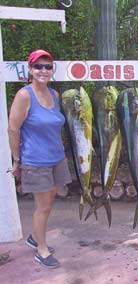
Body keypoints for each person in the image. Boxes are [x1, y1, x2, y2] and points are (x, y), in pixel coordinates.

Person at [8, 49, 72, 269]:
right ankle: (41, 249)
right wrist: (17, 160)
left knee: (49, 203)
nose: (43, 70)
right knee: (42, 207)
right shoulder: (24, 95)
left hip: (56, 158)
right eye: (38, 66)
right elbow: (12, 129)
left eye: (48, 66)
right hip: (36, 161)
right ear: (30, 69)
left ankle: (35, 237)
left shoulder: (54, 95)